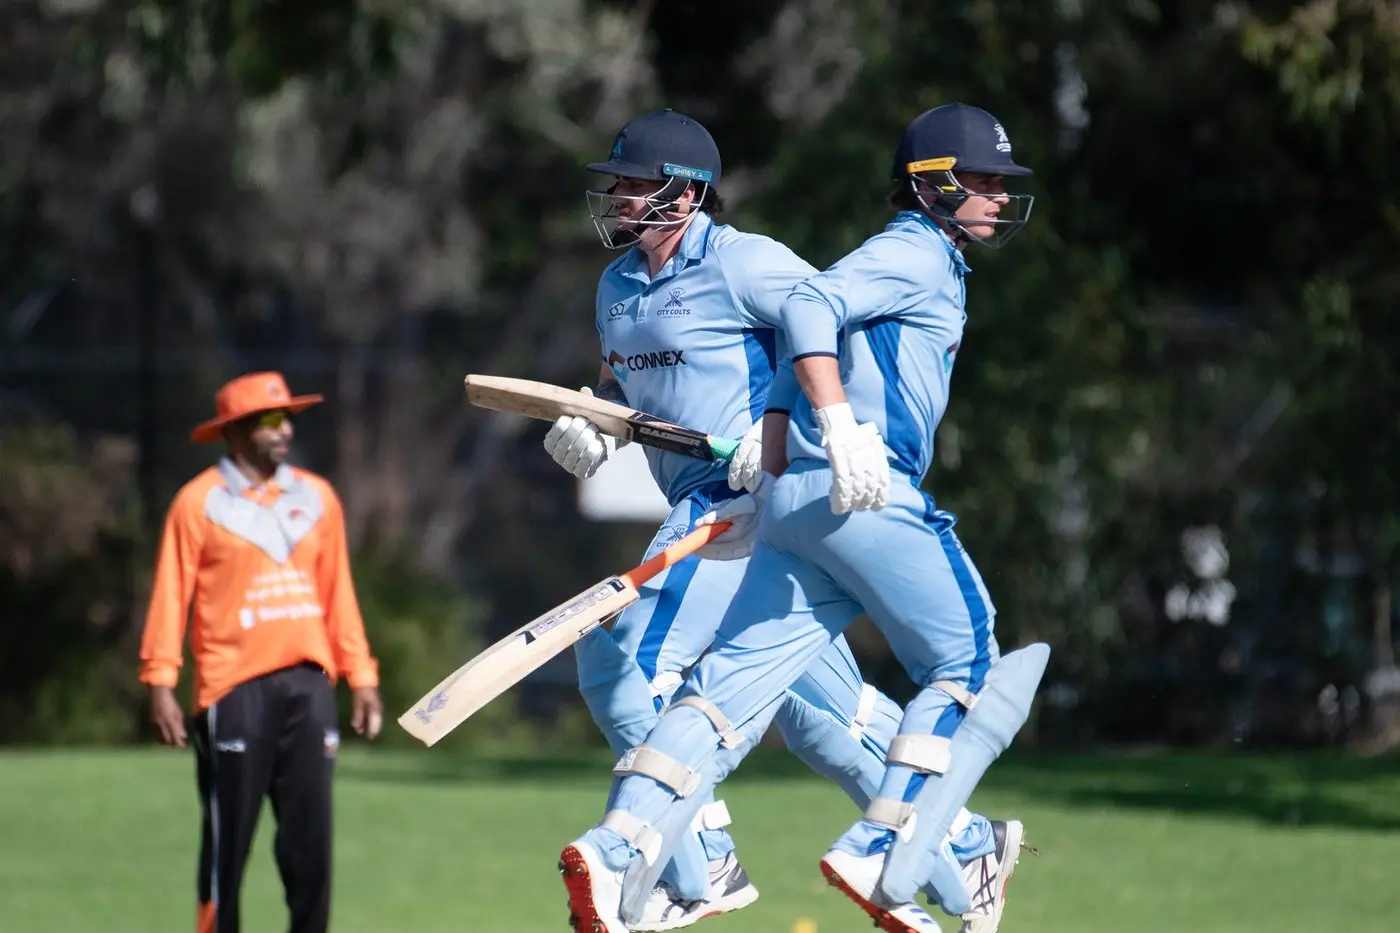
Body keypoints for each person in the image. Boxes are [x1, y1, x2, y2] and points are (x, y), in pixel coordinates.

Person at [558, 103, 1049, 933]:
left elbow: (821, 320)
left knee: (633, 668)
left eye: (634, 183)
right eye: (618, 184)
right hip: (784, 505)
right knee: (826, 721)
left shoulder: (744, 261)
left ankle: (692, 859)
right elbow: (623, 381)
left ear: (686, 192)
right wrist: (600, 419)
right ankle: (962, 848)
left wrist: (780, 430)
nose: (619, 197)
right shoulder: (616, 288)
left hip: (745, 502)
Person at [139, 371, 384, 933]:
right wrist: (160, 680)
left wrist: (361, 674)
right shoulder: (197, 503)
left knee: (310, 851)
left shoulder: (318, 498)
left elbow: (338, 593)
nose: (284, 429)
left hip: (309, 686)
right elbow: (171, 594)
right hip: (233, 690)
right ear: (234, 431)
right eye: (270, 419)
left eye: (287, 417)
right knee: (227, 851)